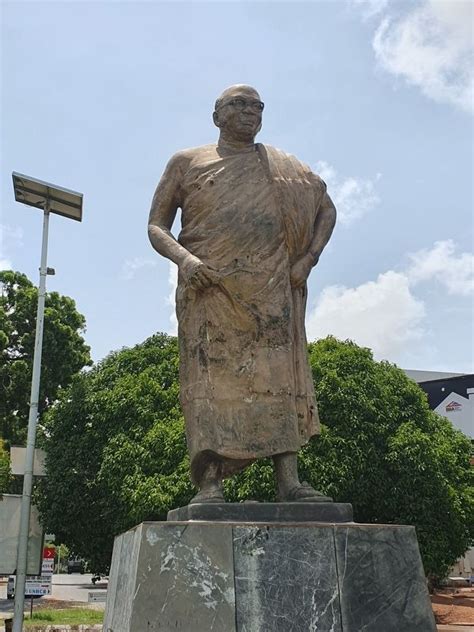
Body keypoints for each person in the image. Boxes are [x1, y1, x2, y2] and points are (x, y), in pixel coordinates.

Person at [148, 85, 336, 504]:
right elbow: (156, 226)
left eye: (257, 106)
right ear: (217, 115)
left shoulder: (285, 169)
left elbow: (327, 209)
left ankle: (289, 480)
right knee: (210, 385)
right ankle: (210, 482)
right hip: (210, 289)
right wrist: (186, 260)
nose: (250, 111)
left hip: (270, 289)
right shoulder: (186, 162)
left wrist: (308, 259)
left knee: (278, 380)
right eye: (240, 104)